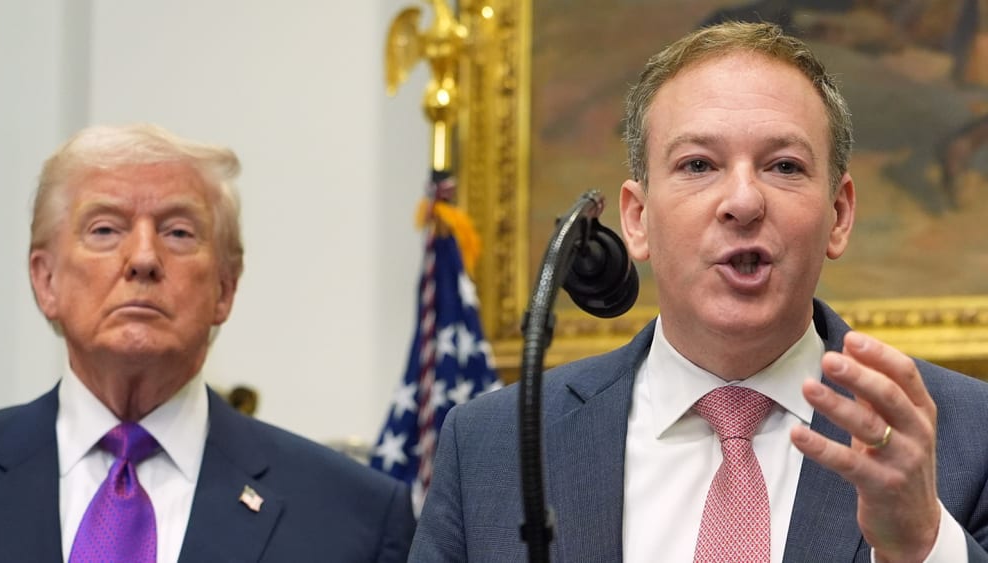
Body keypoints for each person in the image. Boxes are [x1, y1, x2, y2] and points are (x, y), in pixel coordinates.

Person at [409, 21, 988, 562]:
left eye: (784, 166)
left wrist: (921, 544)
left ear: (838, 215)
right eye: (698, 164)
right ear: (636, 220)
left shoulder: (969, 436)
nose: (742, 201)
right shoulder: (492, 446)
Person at [0, 123, 415, 562]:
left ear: (225, 287)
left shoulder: (351, 517)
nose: (143, 259)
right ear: (46, 281)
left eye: (178, 233)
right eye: (104, 229)